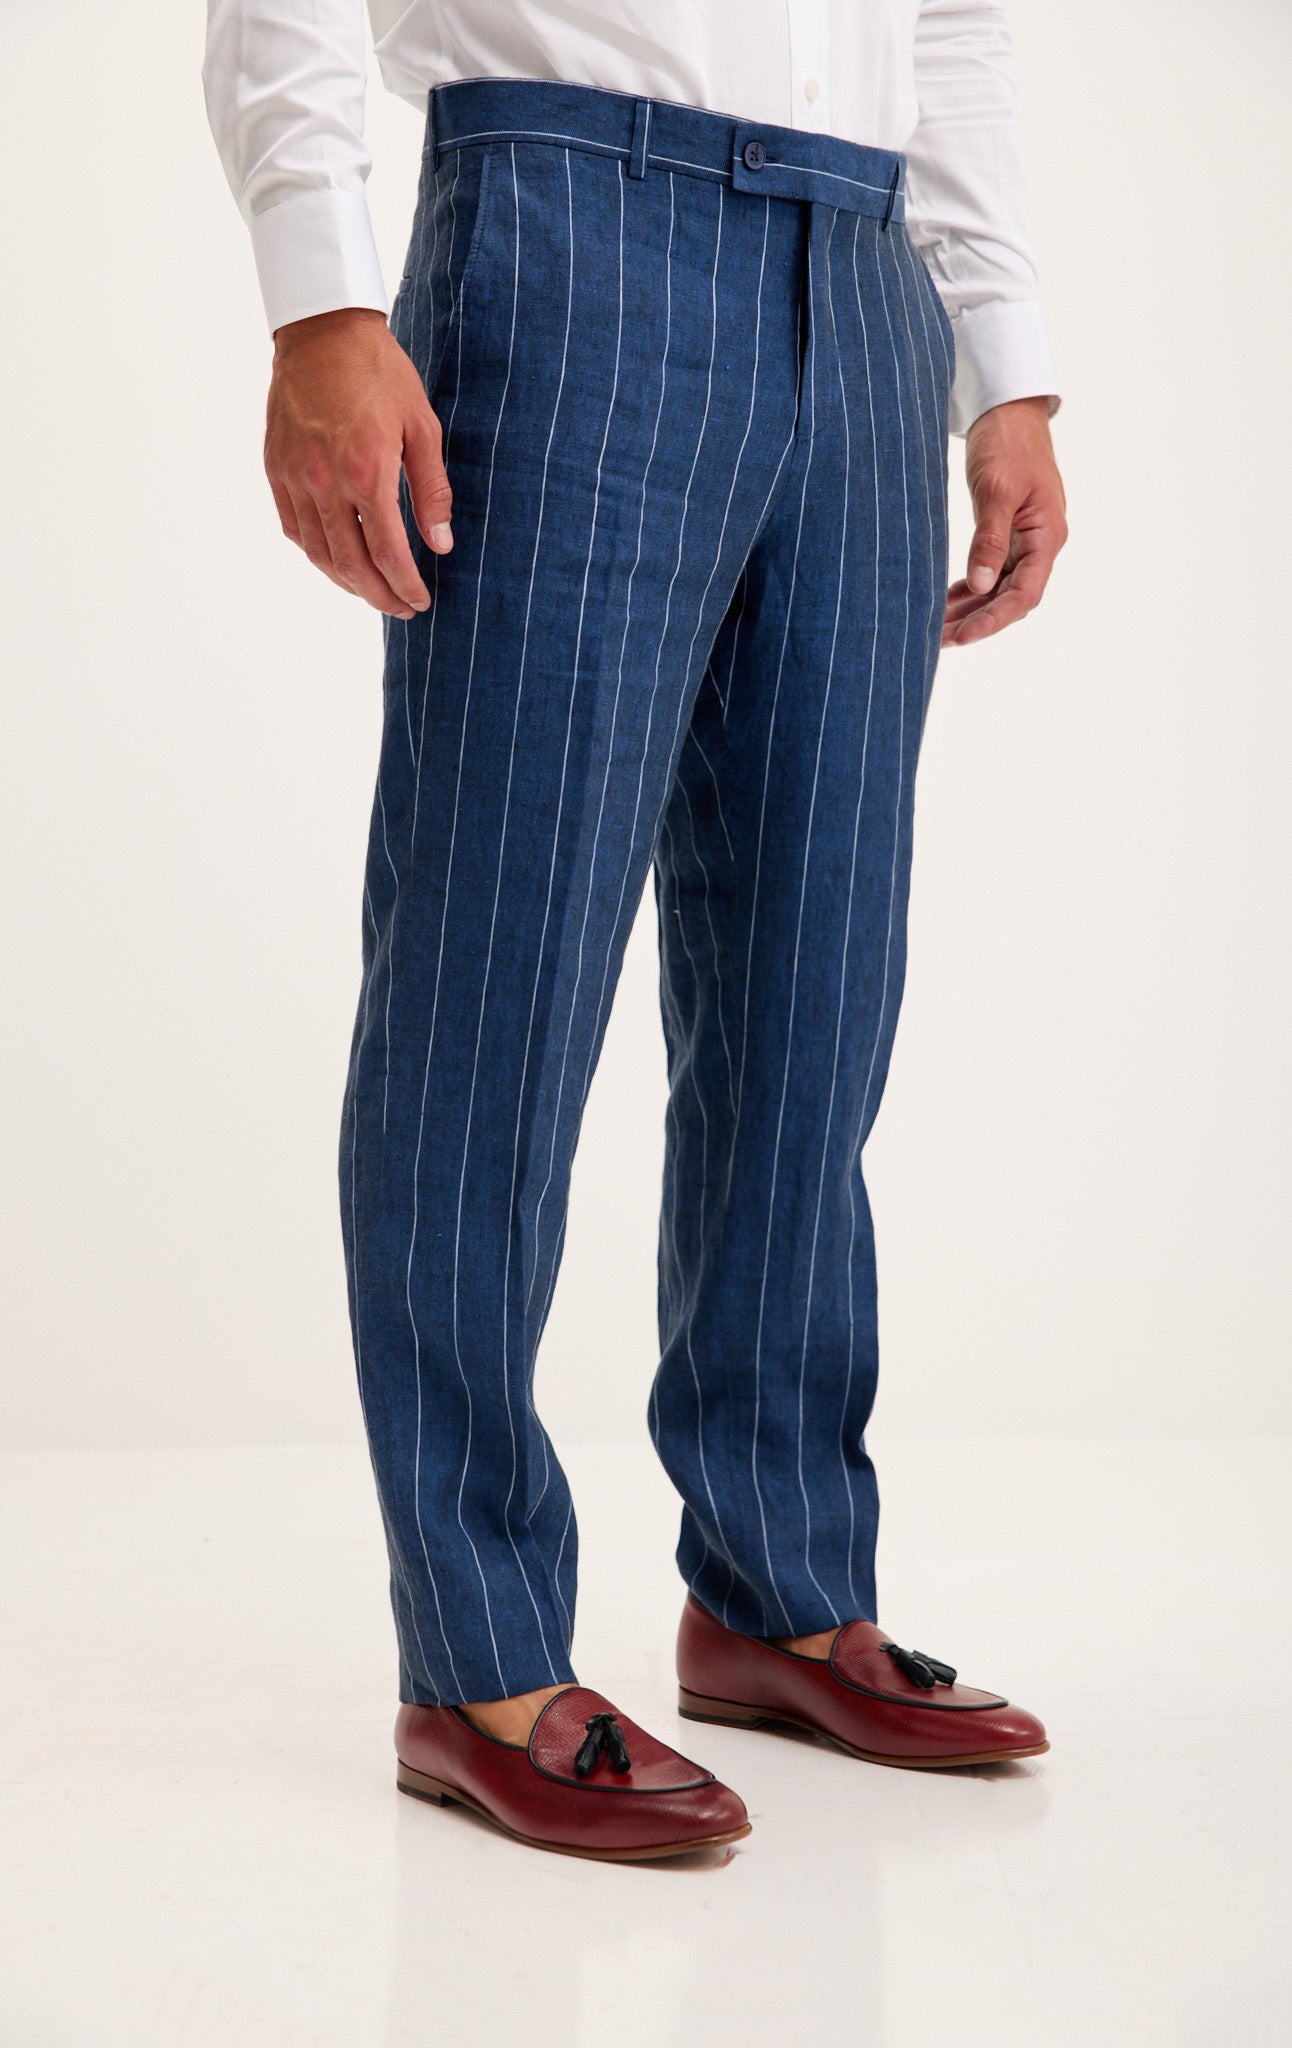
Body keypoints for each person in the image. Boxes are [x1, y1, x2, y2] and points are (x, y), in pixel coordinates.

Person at [203, 0, 1066, 1862]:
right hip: (569, 220)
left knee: (815, 980)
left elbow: (949, 22)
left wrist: (1006, 359)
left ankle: (777, 1590)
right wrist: (320, 298)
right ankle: (480, 1658)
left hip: (871, 277)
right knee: (493, 971)